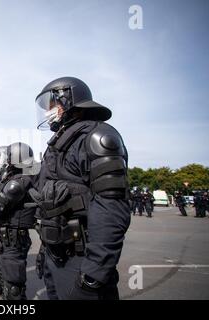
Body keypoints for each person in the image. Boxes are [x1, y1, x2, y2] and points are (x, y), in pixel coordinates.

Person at [30, 76, 130, 300]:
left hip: (82, 258)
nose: (48, 111)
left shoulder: (98, 137)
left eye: (51, 105)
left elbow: (111, 206)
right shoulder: (57, 145)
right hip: (55, 255)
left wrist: (96, 268)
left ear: (68, 99)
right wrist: (44, 252)